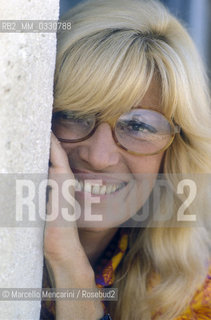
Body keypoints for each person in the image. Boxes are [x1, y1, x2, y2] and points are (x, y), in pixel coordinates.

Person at [40, 0, 211, 319]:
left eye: (139, 125)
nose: (99, 157)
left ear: (173, 153)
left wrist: (72, 274)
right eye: (75, 115)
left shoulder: (193, 293)